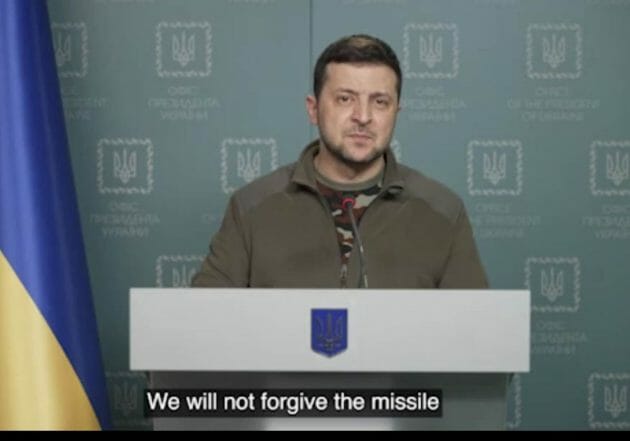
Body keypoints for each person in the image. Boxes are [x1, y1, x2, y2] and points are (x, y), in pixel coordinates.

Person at [192, 34, 487, 289]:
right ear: (313, 109)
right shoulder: (251, 207)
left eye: (380, 102)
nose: (363, 116)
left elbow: (474, 327)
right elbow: (204, 320)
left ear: (396, 112)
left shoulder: (442, 211)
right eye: (345, 99)